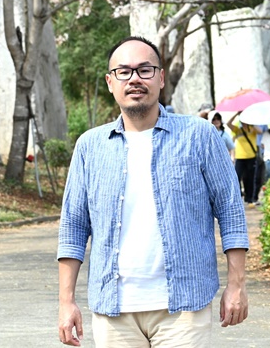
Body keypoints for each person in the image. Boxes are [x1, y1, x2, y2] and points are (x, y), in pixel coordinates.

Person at [57, 36, 249, 347]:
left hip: (184, 306)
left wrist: (237, 284)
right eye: (124, 71)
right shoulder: (90, 147)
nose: (134, 78)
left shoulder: (198, 136)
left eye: (145, 70)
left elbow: (230, 209)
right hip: (113, 310)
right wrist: (66, 302)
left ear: (161, 78)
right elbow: (73, 227)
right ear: (110, 82)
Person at [228, 114, 260, 206]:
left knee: (250, 178)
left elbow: (260, 131)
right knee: (236, 177)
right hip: (240, 157)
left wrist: (251, 122)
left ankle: (249, 198)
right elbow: (228, 123)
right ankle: (238, 197)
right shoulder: (238, 130)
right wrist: (236, 114)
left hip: (251, 156)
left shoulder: (252, 129)